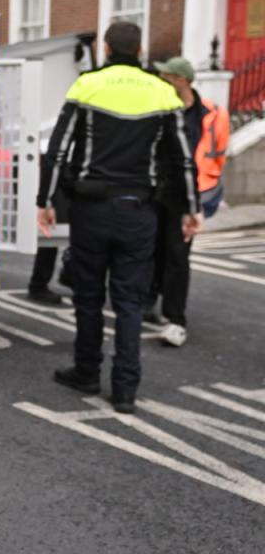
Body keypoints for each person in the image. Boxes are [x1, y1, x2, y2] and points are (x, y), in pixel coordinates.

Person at [36, 21, 202, 414]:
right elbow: (183, 159)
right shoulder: (163, 93)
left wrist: (46, 200)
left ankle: (87, 371)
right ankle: (125, 390)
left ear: (107, 49)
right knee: (130, 301)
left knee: (89, 296)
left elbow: (58, 150)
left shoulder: (87, 85)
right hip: (140, 211)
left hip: (91, 210)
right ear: (139, 50)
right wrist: (192, 209)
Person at [147, 56, 230, 346]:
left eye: (166, 76)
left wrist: (202, 194)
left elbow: (218, 153)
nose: (161, 80)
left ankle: (175, 319)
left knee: (178, 256)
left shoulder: (212, 113)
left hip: (189, 194)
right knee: (152, 249)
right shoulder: (161, 107)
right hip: (158, 190)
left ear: (180, 80)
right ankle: (149, 301)